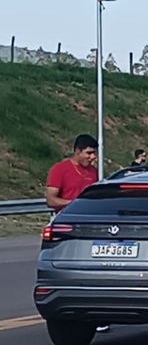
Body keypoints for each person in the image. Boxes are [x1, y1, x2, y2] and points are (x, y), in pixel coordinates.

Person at [45, 134, 107, 333]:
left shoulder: (93, 173)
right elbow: (51, 200)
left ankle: (99, 312)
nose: (92, 157)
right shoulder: (60, 169)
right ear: (77, 151)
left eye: (94, 153)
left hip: (90, 225)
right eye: (89, 153)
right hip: (67, 225)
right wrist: (76, 204)